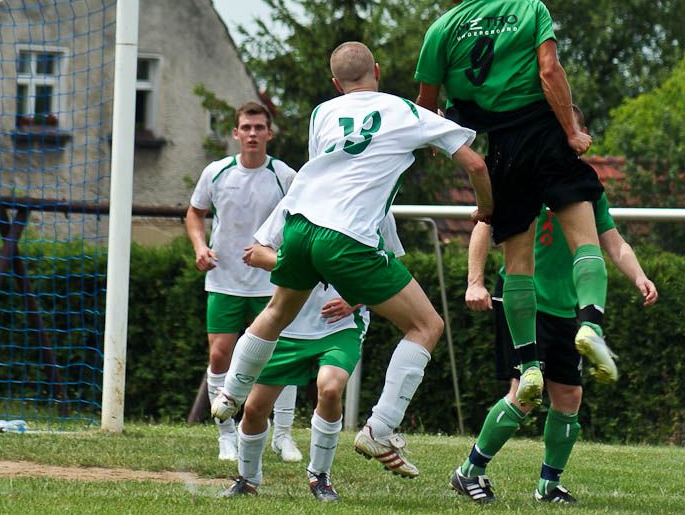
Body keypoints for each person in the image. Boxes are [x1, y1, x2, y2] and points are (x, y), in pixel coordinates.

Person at [212, 41, 494, 479]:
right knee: (427, 326)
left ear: (335, 83)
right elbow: (475, 165)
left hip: (300, 226)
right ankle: (380, 428)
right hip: (347, 238)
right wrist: (486, 208)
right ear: (378, 70)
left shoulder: (322, 113)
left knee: (276, 311)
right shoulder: (404, 111)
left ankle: (229, 394)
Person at [414, 0, 614, 411]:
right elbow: (550, 72)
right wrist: (570, 130)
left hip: (501, 148)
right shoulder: (530, 9)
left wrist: (450, 139)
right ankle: (589, 322)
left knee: (518, 263)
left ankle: (528, 366)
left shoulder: (441, 30)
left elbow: (425, 108)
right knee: (585, 240)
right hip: (545, 135)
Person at [450, 107, 659, 505]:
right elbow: (483, 224)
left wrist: (639, 277)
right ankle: (469, 471)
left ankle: (548, 485)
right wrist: (474, 281)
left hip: (567, 308)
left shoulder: (583, 188)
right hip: (525, 305)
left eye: (571, 129)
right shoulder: (519, 177)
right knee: (525, 393)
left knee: (569, 398)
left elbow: (613, 242)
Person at [221, 208, 403, 501]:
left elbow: (388, 266)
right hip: (285, 327)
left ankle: (320, 477)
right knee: (254, 409)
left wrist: (354, 299)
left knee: (330, 390)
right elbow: (255, 253)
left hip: (338, 328)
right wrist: (307, 264)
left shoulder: (377, 209)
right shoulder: (298, 205)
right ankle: (248, 479)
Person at [185, 101, 301, 462]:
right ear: (235, 133)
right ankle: (225, 436)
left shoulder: (285, 176)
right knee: (220, 354)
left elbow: (303, 219)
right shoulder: (216, 172)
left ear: (269, 133)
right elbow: (194, 213)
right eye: (246, 128)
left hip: (272, 284)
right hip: (224, 281)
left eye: (259, 127)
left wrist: (288, 259)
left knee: (279, 359)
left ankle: (282, 435)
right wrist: (200, 246)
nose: (252, 134)